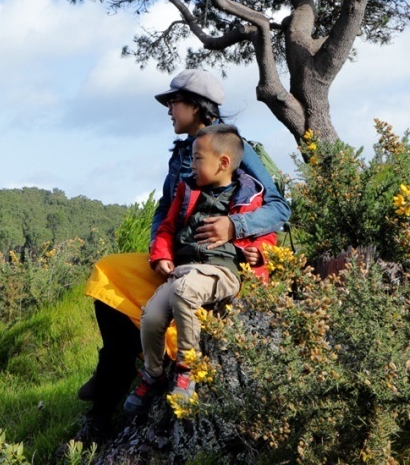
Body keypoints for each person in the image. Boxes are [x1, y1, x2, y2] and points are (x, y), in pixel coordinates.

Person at [77, 70, 290, 429]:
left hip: (220, 266)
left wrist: (232, 227)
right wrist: (158, 249)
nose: (169, 110)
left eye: (173, 102)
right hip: (177, 259)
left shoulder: (232, 147)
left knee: (163, 301)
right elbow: (165, 209)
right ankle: (114, 369)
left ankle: (109, 399)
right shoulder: (181, 155)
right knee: (108, 273)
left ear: (197, 106)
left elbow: (278, 208)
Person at [123, 123, 277, 411]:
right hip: (184, 271)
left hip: (223, 271)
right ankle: (153, 374)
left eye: (197, 159)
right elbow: (167, 227)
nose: (191, 165)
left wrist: (260, 253)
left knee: (184, 291)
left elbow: (266, 234)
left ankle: (187, 368)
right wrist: (160, 254)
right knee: (152, 317)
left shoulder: (248, 195)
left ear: (223, 163)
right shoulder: (187, 191)